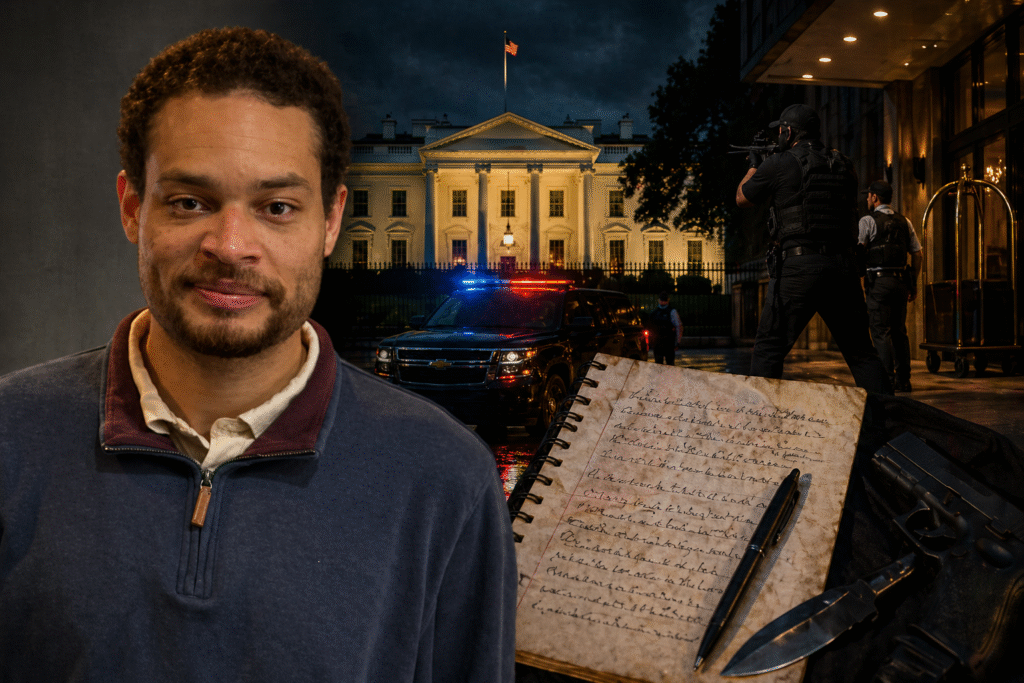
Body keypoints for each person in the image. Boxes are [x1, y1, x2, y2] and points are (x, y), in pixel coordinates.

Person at [0, 28, 515, 682]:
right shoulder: (10, 437)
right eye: (190, 201)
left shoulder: (448, 481)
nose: (231, 243)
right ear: (133, 208)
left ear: (331, 221)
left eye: (276, 206)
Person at [736, 104, 892, 394]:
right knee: (861, 354)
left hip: (798, 269)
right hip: (842, 268)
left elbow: (742, 198)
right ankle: (891, 422)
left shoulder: (779, 163)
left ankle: (759, 425)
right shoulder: (844, 163)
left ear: (789, 131)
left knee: (769, 350)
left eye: (781, 129)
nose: (780, 134)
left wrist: (755, 164)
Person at [859, 180, 924, 392]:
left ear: (875, 198)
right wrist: (912, 282)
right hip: (900, 282)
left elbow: (860, 252)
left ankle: (886, 380)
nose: (867, 199)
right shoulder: (905, 221)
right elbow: (918, 254)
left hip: (878, 282)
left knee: (880, 331)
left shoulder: (867, 221)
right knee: (899, 331)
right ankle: (904, 380)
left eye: (869, 196)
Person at [648, 291, 683, 364]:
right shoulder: (672, 311)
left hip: (658, 343)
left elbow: (650, 329)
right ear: (668, 300)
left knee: (658, 364)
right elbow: (679, 327)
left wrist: (650, 341)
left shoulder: (654, 313)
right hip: (668, 342)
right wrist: (678, 342)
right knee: (669, 364)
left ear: (659, 300)